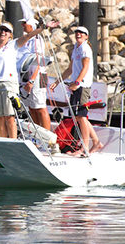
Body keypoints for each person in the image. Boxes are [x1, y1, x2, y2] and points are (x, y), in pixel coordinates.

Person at [49, 26, 103, 154]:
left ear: (86, 36)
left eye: (81, 32)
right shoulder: (76, 49)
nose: (78, 34)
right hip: (76, 86)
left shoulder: (85, 48)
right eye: (77, 32)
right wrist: (57, 82)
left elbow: (85, 68)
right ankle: (96, 142)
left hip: (82, 86)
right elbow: (70, 69)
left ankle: (84, 147)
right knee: (79, 117)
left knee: (81, 116)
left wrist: (77, 83)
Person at [18, 17, 51, 131]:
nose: (22, 25)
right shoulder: (26, 39)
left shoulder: (37, 39)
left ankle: (48, 139)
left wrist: (31, 80)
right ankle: (38, 135)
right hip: (26, 76)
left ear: (31, 25)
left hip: (38, 76)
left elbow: (38, 60)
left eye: (24, 23)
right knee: (31, 107)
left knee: (41, 107)